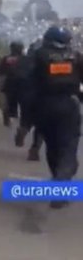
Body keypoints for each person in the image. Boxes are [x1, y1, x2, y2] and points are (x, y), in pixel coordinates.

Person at [26, 26, 83, 207]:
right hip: (68, 106)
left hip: (44, 106)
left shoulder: (38, 55)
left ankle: (59, 187)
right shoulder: (75, 56)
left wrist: (25, 120)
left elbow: (27, 84)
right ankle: (60, 185)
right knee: (68, 150)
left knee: (53, 147)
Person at [0, 41, 25, 128]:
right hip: (21, 84)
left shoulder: (6, 59)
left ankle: (7, 119)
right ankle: (22, 120)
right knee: (22, 102)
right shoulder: (24, 59)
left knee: (8, 102)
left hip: (9, 83)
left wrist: (0, 81)